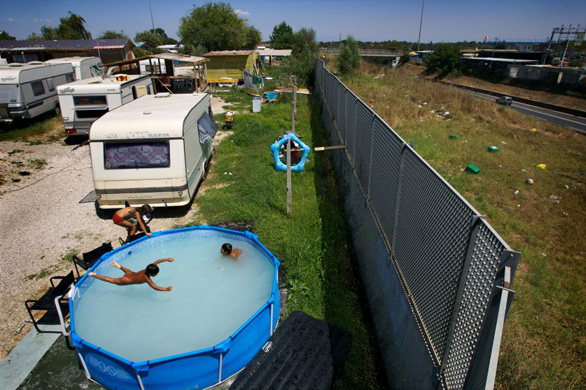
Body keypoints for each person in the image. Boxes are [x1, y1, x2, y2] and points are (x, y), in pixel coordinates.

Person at [89, 258, 174, 292]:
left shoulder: (148, 268)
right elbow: (155, 287)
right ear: (150, 274)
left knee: (129, 272)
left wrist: (167, 259)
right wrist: (166, 289)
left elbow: (157, 262)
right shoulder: (147, 279)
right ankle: (94, 274)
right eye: (156, 273)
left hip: (130, 274)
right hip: (126, 280)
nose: (157, 274)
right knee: (111, 280)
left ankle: (119, 266)